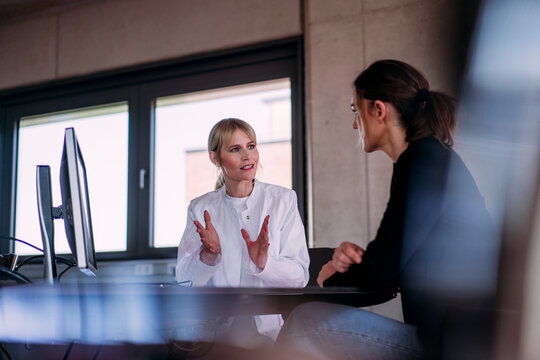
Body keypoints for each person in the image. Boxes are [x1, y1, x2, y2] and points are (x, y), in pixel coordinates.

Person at [275, 60, 497, 359]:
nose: (355, 123)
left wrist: (331, 275)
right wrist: (356, 261)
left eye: (356, 111)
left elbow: (381, 273)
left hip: (451, 348)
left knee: (304, 321)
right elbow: (392, 260)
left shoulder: (423, 163)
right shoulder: (428, 158)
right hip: (450, 340)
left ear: (378, 110)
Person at [175, 118, 310, 346]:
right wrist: (208, 255)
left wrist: (263, 263)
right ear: (215, 158)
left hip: (267, 333)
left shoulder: (283, 200)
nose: (248, 156)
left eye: (251, 146)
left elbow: (299, 278)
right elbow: (184, 282)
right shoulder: (200, 208)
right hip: (215, 332)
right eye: (235, 149)